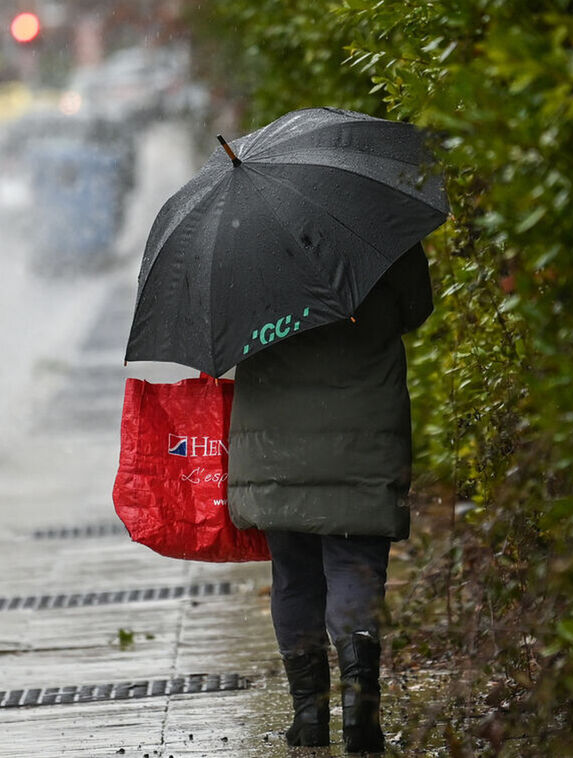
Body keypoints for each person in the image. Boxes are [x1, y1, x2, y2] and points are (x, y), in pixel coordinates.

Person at [227, 242, 434, 754]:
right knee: (355, 565)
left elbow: (224, 340)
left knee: (294, 574)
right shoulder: (377, 229)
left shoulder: (242, 249)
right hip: (363, 433)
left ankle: (309, 717)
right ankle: (361, 709)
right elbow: (416, 309)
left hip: (275, 443)